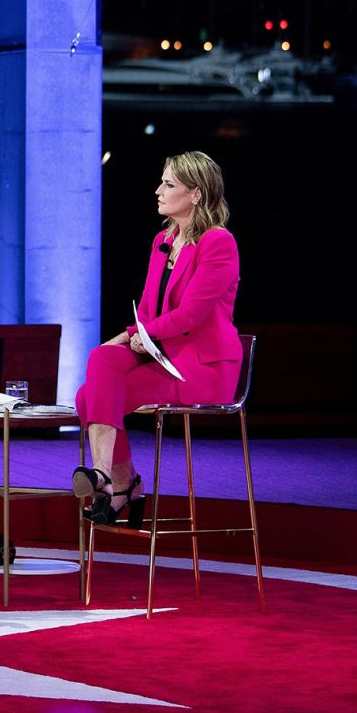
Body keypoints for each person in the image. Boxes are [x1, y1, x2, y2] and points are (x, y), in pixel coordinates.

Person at [72, 151, 244, 526]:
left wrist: (140, 334)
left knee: (90, 397)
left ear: (196, 194)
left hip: (202, 369)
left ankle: (119, 484)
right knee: (101, 359)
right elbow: (150, 309)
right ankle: (112, 478)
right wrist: (128, 335)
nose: (157, 191)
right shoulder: (163, 241)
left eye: (168, 184)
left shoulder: (218, 243)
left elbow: (192, 316)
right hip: (163, 355)